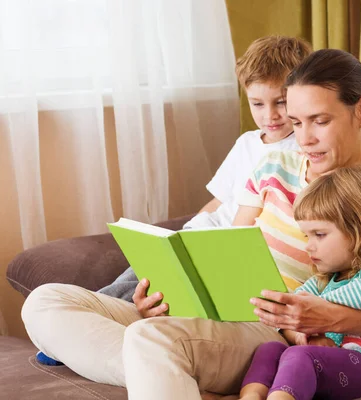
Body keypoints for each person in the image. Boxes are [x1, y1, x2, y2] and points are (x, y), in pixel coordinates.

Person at [22, 48, 361, 400]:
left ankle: (164, 363)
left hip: (272, 331)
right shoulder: (275, 166)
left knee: (150, 341)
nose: (304, 139)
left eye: (320, 121)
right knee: (46, 302)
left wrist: (331, 317)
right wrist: (165, 293)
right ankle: (167, 371)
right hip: (218, 314)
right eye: (297, 122)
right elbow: (229, 250)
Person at [97, 35, 311, 305]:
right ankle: (92, 309)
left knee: (145, 293)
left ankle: (96, 313)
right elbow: (217, 202)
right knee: (136, 275)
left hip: (233, 252)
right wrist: (187, 232)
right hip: (201, 237)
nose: (269, 115)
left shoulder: (303, 150)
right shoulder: (246, 143)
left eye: (280, 102)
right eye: (257, 104)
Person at [240, 166, 361, 400]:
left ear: (359, 229)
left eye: (320, 234)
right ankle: (251, 397)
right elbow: (291, 314)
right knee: (270, 349)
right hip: (336, 360)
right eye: (307, 236)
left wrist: (314, 306)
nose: (309, 246)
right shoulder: (322, 282)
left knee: (300, 357)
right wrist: (300, 333)